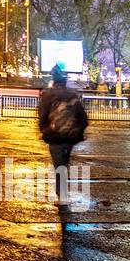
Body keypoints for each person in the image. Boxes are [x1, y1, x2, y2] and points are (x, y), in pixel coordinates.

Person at [37, 64, 89, 206]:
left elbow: (42, 118)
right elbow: (83, 118)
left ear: (53, 81)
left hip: (54, 136)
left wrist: (44, 131)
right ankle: (64, 193)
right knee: (64, 163)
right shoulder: (72, 96)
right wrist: (78, 131)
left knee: (58, 165)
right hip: (70, 136)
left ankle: (62, 196)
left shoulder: (47, 96)